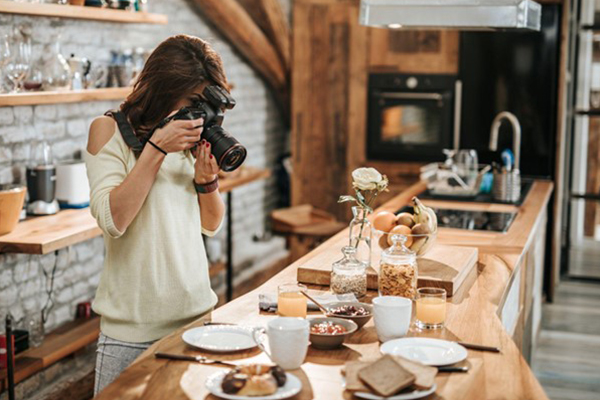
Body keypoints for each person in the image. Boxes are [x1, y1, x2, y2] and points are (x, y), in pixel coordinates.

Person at [84, 35, 228, 395]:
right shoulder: (109, 131)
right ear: (164, 88)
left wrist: (207, 181)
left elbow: (210, 225)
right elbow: (113, 219)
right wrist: (157, 149)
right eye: (194, 101)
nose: (199, 114)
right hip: (131, 334)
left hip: (197, 323)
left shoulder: (187, 138)